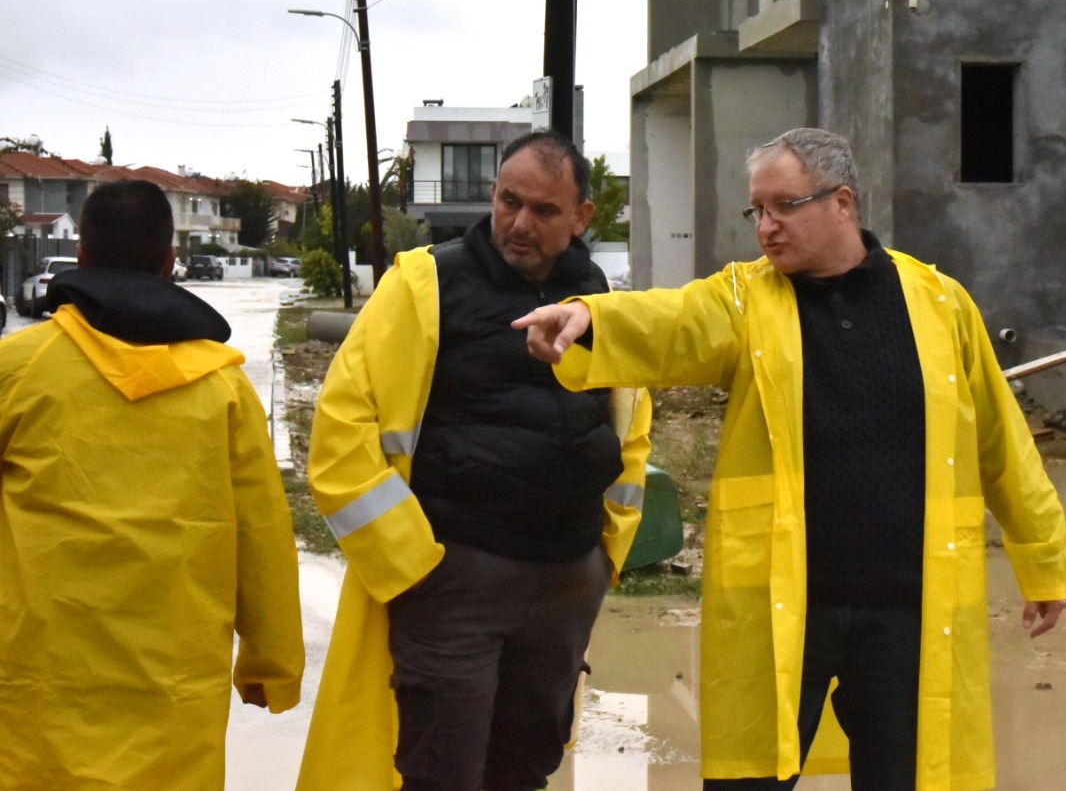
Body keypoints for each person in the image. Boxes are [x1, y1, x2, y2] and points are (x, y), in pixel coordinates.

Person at [517, 127, 1066, 791]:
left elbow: (1001, 442)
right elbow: (673, 321)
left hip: (910, 610)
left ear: (842, 202)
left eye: (784, 206)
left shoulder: (937, 302)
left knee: (913, 776)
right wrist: (591, 317)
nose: (766, 227)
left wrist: (1044, 564)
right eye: (757, 210)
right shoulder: (745, 299)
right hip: (787, 605)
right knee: (753, 777)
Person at [296, 131, 652, 791]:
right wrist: (413, 569)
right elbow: (341, 432)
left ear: (581, 218)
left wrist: (605, 556)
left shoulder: (597, 296)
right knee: (442, 772)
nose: (519, 223)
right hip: (454, 579)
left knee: (526, 769)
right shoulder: (427, 283)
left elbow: (630, 425)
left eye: (544, 211)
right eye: (507, 201)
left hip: (567, 580)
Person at [0, 179, 304, 790]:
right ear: (170, 263)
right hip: (175, 699)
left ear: (81, 255)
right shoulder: (224, 392)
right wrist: (272, 663)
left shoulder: (19, 372)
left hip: (37, 693)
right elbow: (262, 536)